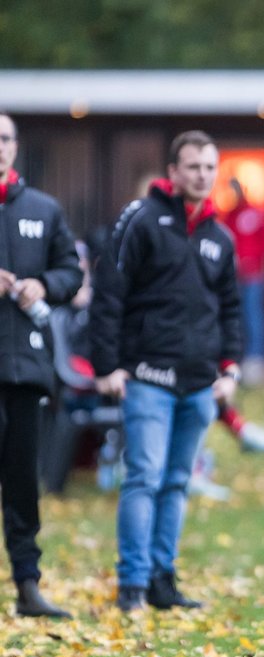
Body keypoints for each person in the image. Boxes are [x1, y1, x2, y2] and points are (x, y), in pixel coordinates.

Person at [90, 130, 242, 613]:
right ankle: (131, 585)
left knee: (178, 481)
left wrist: (230, 369)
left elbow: (231, 310)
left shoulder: (221, 236)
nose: (202, 175)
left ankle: (162, 580)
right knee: (144, 477)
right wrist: (107, 365)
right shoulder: (141, 220)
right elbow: (109, 294)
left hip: (198, 384)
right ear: (173, 172)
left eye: (209, 167)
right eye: (193, 166)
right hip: (147, 377)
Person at [0, 112, 82, 618]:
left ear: (16, 146)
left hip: (25, 372)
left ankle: (28, 586)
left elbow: (71, 272)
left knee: (23, 483)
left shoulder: (44, 209)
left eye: (5, 138)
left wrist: (44, 285)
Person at [221, 177, 264, 386]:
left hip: (255, 275)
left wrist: (254, 261)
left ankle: (256, 358)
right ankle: (237, 357)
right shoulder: (229, 216)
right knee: (236, 316)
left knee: (254, 314)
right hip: (234, 275)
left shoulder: (257, 213)